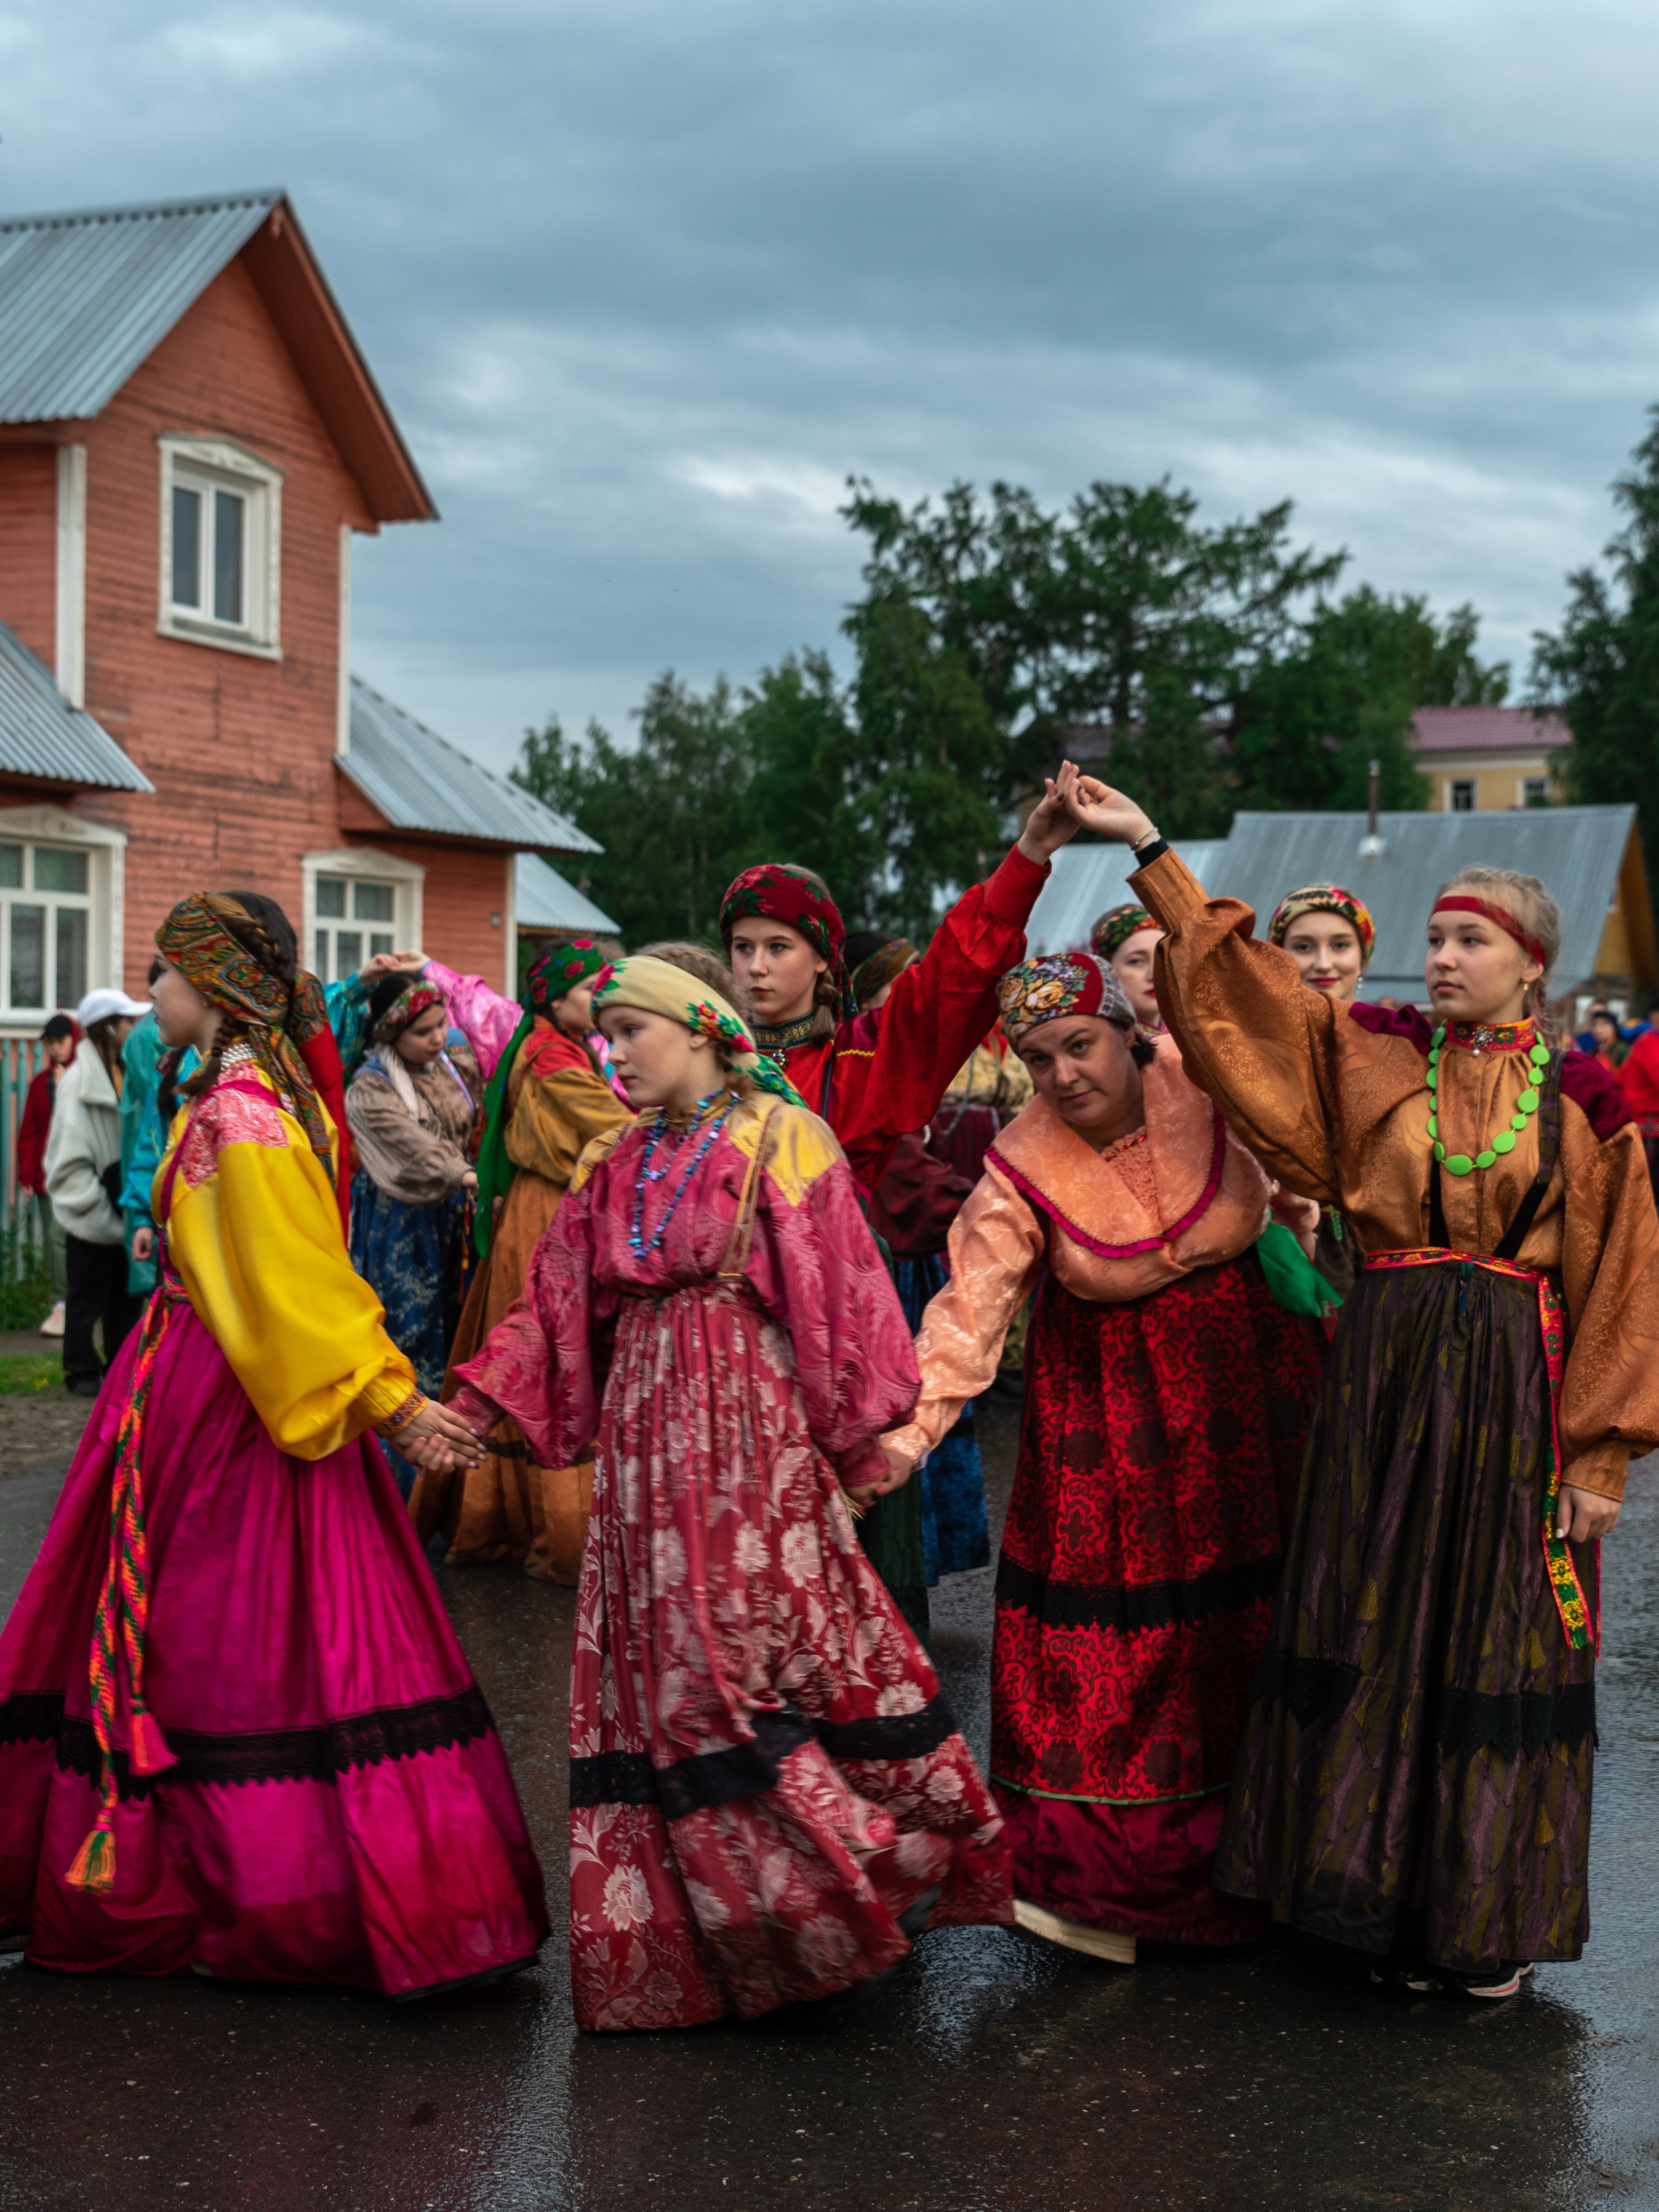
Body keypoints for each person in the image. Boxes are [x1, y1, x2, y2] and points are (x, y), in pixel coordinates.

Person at [1068, 776, 1659, 1999]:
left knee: (1492, 1636)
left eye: (1468, 941)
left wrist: (1600, 1458)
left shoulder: (1582, 1110)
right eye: (1436, 938)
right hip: (1381, 1384)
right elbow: (1255, 1001)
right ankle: (1377, 1899)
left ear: (1532, 965)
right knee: (1376, 1620)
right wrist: (1152, 847)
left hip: (1508, 1396)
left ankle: (1483, 1922)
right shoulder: (1376, 1071)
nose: (1439, 957)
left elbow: (1622, 1284)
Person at [447, 955, 1012, 2030]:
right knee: (658, 1676)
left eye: (632, 1029)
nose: (614, 1050)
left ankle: (866, 1873)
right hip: (644, 1449)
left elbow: (839, 1289)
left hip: (747, 1438)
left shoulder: (779, 1137)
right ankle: (712, 1940)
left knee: (723, 1671)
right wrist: (470, 1410)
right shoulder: (611, 1157)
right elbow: (551, 1300)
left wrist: (861, 1448)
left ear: (704, 1031)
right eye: (604, 1030)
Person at [0, 891, 546, 1993]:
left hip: (224, 1398)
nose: (151, 992)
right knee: (248, 1630)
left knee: (218, 1634)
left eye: (164, 972)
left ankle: (238, 1881)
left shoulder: (237, 1114)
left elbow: (294, 1281)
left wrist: (384, 1396)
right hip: (199, 1381)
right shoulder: (240, 1094)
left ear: (214, 986)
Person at [874, 953, 1325, 1963]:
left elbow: (1304, 1185)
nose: (1063, 1074)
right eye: (1038, 1060)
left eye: (1079, 1044)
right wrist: (902, 1440)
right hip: (1112, 1420)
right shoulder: (1018, 1165)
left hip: (1249, 1386)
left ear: (1127, 1032)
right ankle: (1105, 1887)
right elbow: (968, 1316)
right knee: (1124, 1642)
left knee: (1252, 1623)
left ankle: (1279, 1856)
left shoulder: (1208, 1090)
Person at [719, 765, 1085, 1635]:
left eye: (780, 946)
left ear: (821, 960)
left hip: (840, 1343)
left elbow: (954, 978)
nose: (759, 966)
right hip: (729, 1355)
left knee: (854, 1601)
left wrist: (1029, 853)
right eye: (743, 946)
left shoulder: (860, 1063)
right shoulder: (699, 1071)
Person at [419, 938, 631, 1581]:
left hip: (545, 1209)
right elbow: (613, 1124)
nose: (602, 999)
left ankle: (515, 1520)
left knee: (535, 1355)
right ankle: (547, 1530)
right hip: (546, 1216)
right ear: (554, 994)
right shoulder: (550, 1056)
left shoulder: (555, 1045)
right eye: (592, 987)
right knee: (545, 1360)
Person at [855, 937, 992, 1587]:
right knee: (905, 1409)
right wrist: (988, 1204)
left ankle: (918, 1567)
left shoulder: (906, 1060)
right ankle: (897, 1579)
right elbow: (904, 1176)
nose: (916, 997)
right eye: (899, 987)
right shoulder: (869, 1065)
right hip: (893, 1266)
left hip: (919, 1257)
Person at [345, 973, 483, 1495]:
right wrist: (467, 1173)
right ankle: (397, 1490)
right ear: (390, 1034)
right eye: (423, 1031)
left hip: (451, 1219)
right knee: (408, 1345)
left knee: (451, 1341)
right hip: (400, 1225)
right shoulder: (371, 1087)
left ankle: (443, 1492)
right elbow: (414, 1149)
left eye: (442, 1025)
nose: (437, 1038)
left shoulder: (454, 1062)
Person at [1265, 883, 1379, 1309]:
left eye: (1341, 945)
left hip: (1387, 1253)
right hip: (1282, 1249)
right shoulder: (1257, 1053)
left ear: (1363, 956)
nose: (1324, 963)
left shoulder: (1398, 1044)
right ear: (1278, 956)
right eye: (1304, 946)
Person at [45, 987, 151, 1397]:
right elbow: (67, 1160)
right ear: (108, 1027)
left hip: (119, 1209)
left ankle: (120, 1370)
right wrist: (96, 1210)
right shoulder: (78, 1083)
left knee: (124, 1300)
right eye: (127, 1022)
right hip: (95, 1213)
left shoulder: (122, 1069)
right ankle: (81, 1371)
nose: (135, 1027)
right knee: (86, 1299)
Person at [17, 1013, 76, 1338]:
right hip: (45, 1175)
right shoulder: (40, 1082)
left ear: (73, 1040)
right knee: (55, 1241)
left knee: (60, 1238)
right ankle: (63, 1303)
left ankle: (67, 1303)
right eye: (50, 1043)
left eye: (60, 1041)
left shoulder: (82, 1077)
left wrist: (66, 1086)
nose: (55, 1048)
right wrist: (26, 1173)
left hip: (76, 1174)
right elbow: (30, 1131)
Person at [1089, 903, 1166, 1036]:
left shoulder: (1194, 1031)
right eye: (1136, 961)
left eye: (1163, 957)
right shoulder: (1110, 1045)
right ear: (1107, 972)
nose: (1155, 975)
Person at [1586, 1005, 1629, 1073]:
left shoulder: (1621, 1051)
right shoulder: (1594, 1053)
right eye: (1595, 1024)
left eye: (1604, 1024)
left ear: (1614, 1027)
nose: (1598, 1028)